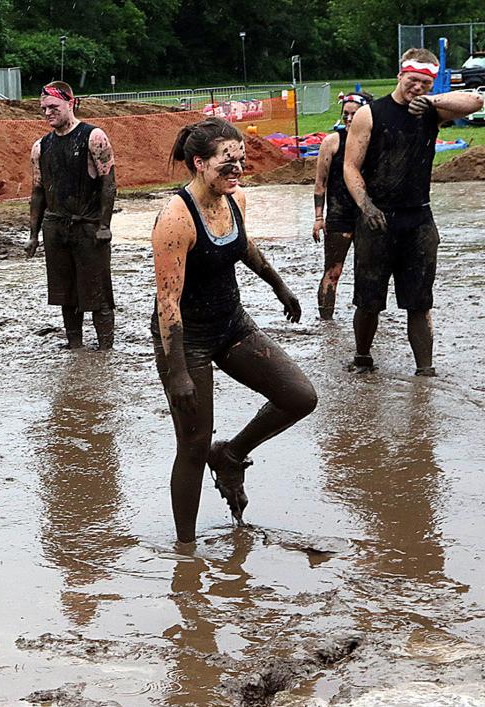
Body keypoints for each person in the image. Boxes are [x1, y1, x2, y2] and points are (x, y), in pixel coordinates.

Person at [151, 117, 317, 544]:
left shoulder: (234, 199)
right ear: (199, 163)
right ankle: (185, 553)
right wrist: (178, 372)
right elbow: (167, 301)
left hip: (232, 323)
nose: (237, 170)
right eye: (227, 164)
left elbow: (243, 245)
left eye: (240, 161)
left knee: (299, 396)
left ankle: (230, 454)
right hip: (187, 338)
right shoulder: (175, 218)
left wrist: (278, 285)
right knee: (191, 443)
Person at [342, 48, 485, 375]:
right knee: (368, 300)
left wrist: (433, 102)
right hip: (376, 218)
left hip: (418, 220)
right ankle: (363, 358)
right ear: (399, 76)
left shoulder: (433, 112)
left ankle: (425, 371)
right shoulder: (371, 114)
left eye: (424, 83)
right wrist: (365, 206)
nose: (416, 88)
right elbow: (350, 167)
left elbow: (476, 102)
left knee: (420, 303)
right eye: (412, 81)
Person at [26, 81, 118, 350]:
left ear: (70, 103)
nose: (47, 113)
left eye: (53, 107)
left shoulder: (94, 137)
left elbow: (108, 184)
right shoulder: (40, 147)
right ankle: (75, 346)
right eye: (43, 108)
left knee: (98, 292)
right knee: (65, 294)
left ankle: (105, 349)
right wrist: (33, 235)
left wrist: (104, 225)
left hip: (88, 226)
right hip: (55, 227)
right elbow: (37, 192)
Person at [312, 91, 372, 320]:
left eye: (354, 115)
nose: (348, 119)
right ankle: (326, 323)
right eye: (345, 114)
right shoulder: (332, 142)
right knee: (333, 271)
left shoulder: (374, 142)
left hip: (368, 216)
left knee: (368, 273)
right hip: (339, 217)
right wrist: (318, 218)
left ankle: (368, 321)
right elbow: (320, 184)